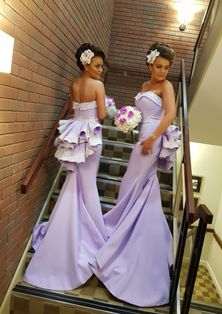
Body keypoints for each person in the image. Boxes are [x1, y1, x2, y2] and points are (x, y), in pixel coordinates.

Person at [90, 42, 180, 307]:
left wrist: (153, 137)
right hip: (143, 137)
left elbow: (171, 113)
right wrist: (127, 118)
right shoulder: (144, 86)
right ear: (150, 64)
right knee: (135, 184)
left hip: (152, 140)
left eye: (166, 68)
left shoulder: (167, 87)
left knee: (134, 182)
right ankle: (135, 230)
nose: (163, 72)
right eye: (159, 66)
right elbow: (142, 113)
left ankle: (123, 231)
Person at [24, 43, 108, 290]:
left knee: (74, 182)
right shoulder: (98, 86)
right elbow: (101, 115)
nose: (101, 70)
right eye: (97, 65)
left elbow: (72, 109)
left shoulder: (74, 83)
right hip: (90, 137)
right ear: (86, 63)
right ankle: (94, 235)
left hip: (75, 134)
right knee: (89, 185)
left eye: (102, 66)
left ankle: (65, 227)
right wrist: (104, 105)